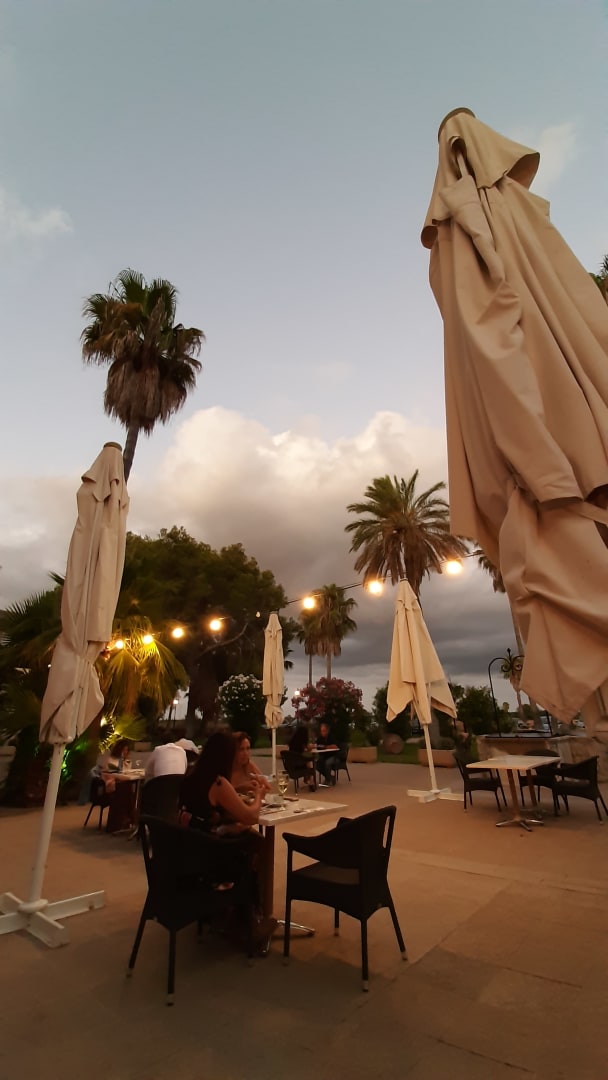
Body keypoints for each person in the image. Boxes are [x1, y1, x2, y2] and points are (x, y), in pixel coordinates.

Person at [180, 732, 274, 947]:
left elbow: (206, 811)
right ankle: (250, 917)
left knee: (246, 834)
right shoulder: (218, 783)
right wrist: (258, 796)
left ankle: (236, 912)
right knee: (257, 842)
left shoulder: (192, 775)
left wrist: (230, 825)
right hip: (213, 859)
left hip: (190, 851)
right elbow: (251, 816)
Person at [287, 724, 316, 790]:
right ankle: (310, 781)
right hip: (299, 764)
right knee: (308, 762)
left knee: (305, 761)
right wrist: (312, 746)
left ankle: (307, 779)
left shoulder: (293, 742)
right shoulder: (302, 742)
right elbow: (308, 749)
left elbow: (298, 751)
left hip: (291, 765)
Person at [314, 721, 339, 786]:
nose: (322, 732)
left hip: (333, 756)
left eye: (324, 731)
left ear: (327, 731)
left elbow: (335, 746)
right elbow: (317, 745)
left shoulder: (331, 737)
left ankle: (328, 780)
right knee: (316, 765)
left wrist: (325, 747)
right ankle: (330, 777)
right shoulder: (320, 738)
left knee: (327, 763)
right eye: (321, 731)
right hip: (324, 756)